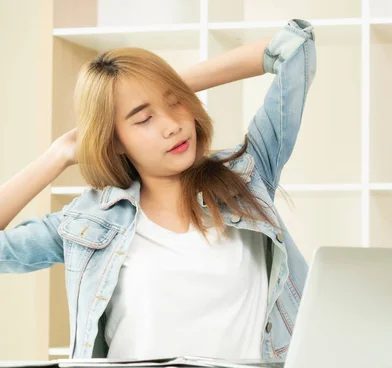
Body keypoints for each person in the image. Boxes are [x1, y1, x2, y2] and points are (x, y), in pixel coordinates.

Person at [0, 19, 316, 361]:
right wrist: (57, 155)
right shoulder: (88, 223)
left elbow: (294, 48)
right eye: (143, 118)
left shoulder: (248, 176)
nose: (173, 125)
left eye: (177, 103)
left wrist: (163, 86)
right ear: (115, 140)